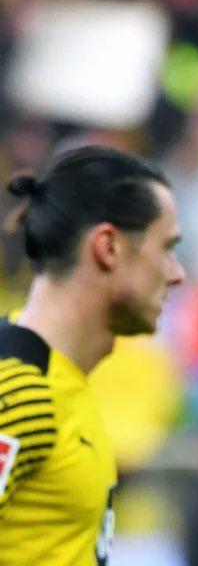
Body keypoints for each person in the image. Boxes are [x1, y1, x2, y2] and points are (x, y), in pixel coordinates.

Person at [0, 146, 185, 566]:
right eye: (166, 248)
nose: (177, 273)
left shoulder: (64, 382)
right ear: (109, 247)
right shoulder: (19, 391)